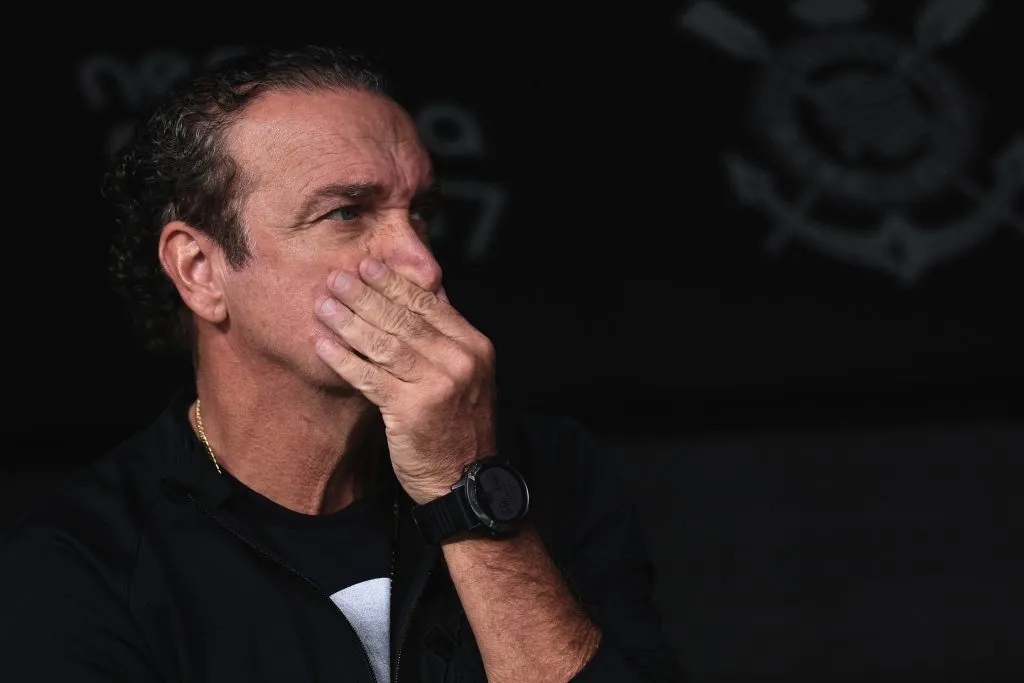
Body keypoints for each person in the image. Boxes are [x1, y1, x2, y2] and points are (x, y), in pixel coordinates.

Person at [0, 45, 684, 682]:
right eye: (347, 213)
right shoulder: (78, 565)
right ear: (200, 269)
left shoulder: (548, 470)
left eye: (420, 213)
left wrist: (467, 491)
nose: (421, 262)